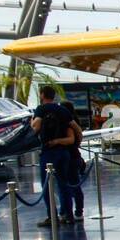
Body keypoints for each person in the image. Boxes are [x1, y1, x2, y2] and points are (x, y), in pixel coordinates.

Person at [31, 85, 75, 227]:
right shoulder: (63, 110)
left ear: (42, 95)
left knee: (47, 185)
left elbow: (36, 127)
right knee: (64, 184)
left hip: (48, 152)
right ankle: (68, 215)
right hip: (64, 153)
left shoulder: (41, 109)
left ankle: (52, 216)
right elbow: (77, 129)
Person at [61, 99, 86, 221]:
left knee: (71, 186)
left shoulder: (68, 124)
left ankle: (69, 212)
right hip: (76, 156)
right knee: (75, 185)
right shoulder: (76, 123)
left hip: (70, 158)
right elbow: (79, 137)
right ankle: (77, 211)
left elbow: (71, 140)